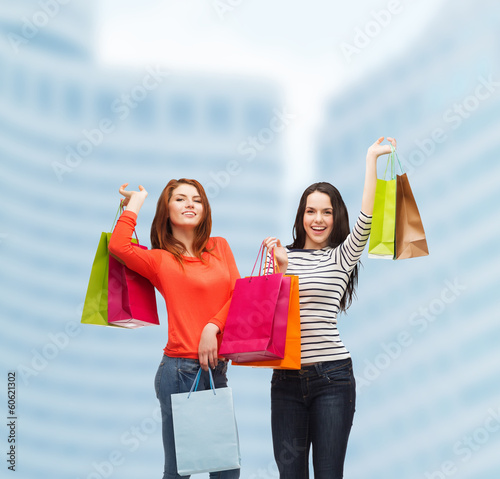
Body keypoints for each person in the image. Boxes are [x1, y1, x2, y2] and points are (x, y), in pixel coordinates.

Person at [263, 137, 397, 479]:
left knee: (328, 473)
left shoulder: (342, 256)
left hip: (332, 378)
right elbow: (267, 319)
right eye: (311, 211)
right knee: (290, 474)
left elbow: (367, 215)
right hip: (286, 380)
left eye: (326, 211)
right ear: (301, 215)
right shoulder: (281, 255)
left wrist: (372, 159)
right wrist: (278, 269)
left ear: (336, 216)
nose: (318, 219)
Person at [108, 178, 241, 479]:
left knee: (226, 470)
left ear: (205, 209)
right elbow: (118, 245)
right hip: (180, 371)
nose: (190, 203)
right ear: (166, 211)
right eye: (180, 199)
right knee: (181, 471)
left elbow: (238, 295)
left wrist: (212, 326)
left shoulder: (219, 246)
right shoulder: (159, 260)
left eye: (197, 199)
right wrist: (136, 202)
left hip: (216, 370)